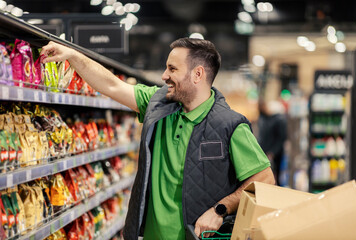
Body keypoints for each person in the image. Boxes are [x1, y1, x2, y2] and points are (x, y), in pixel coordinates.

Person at [40, 38, 275, 240]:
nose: (164, 76)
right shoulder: (158, 105)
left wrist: (220, 210)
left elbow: (264, 179)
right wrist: (72, 55)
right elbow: (112, 85)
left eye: (172, 69)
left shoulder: (229, 124)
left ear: (198, 74)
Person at [257, 99, 287, 184]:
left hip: (274, 154)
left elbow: (281, 139)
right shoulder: (264, 119)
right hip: (266, 152)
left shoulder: (278, 120)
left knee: (276, 176)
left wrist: (272, 152)